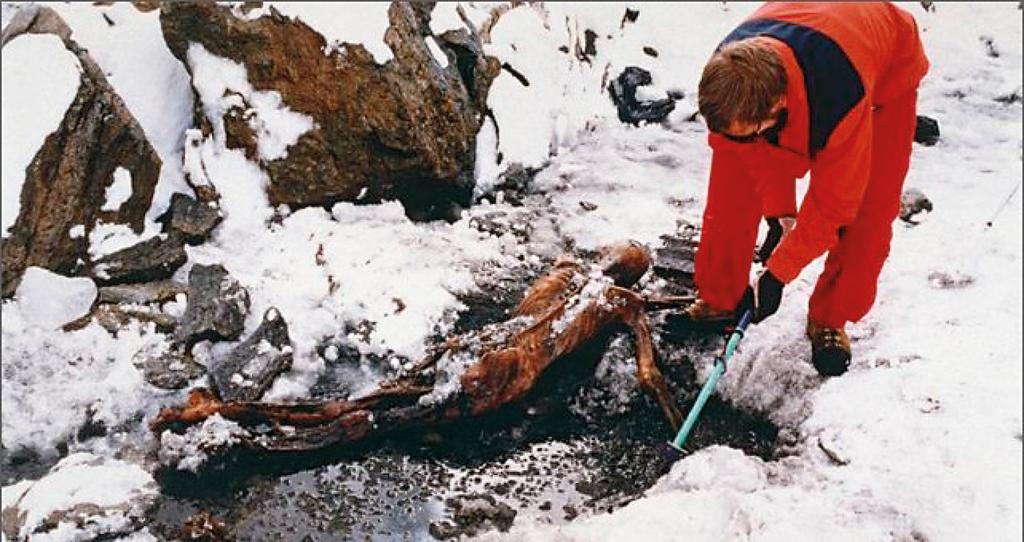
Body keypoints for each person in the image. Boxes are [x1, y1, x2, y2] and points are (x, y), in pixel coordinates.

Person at [683, 2, 930, 376]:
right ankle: (721, 294)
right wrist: (779, 212)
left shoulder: (840, 93)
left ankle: (831, 317)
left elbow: (834, 205)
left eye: (753, 132)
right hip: (808, 27)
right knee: (731, 177)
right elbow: (746, 152)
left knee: (868, 208)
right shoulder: (729, 73)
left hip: (882, 73)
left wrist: (778, 273)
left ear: (778, 104)